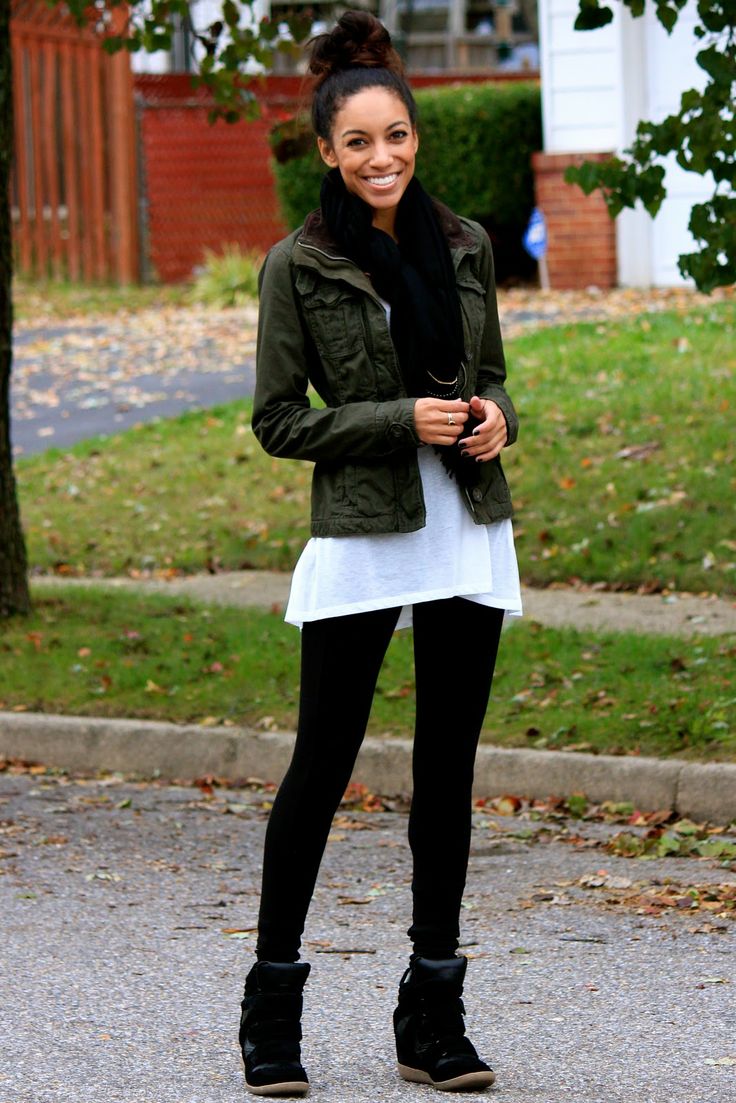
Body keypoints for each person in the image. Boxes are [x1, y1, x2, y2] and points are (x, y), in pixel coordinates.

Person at [239, 10, 521, 1096]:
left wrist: (494, 419)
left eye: (394, 135)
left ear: (415, 136)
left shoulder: (465, 245)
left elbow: (489, 375)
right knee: (322, 764)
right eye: (357, 141)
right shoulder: (296, 265)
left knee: (447, 771)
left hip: (466, 525)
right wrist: (399, 419)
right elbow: (278, 421)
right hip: (363, 530)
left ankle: (432, 1014)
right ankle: (272, 1008)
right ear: (326, 149)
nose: (381, 157)